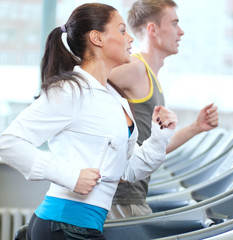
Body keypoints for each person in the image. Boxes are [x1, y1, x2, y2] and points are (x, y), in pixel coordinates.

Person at [0, 3, 178, 240]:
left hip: (84, 225)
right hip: (63, 225)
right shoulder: (71, 91)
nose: (130, 39)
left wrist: (159, 136)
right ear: (97, 38)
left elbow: (128, 169)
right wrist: (70, 176)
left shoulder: (116, 98)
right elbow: (9, 143)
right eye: (122, 30)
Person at [107, 0, 219, 219]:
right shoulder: (136, 68)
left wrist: (197, 127)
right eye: (175, 23)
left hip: (132, 196)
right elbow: (85, 79)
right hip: (122, 199)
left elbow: (154, 148)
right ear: (152, 29)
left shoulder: (151, 77)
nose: (182, 31)